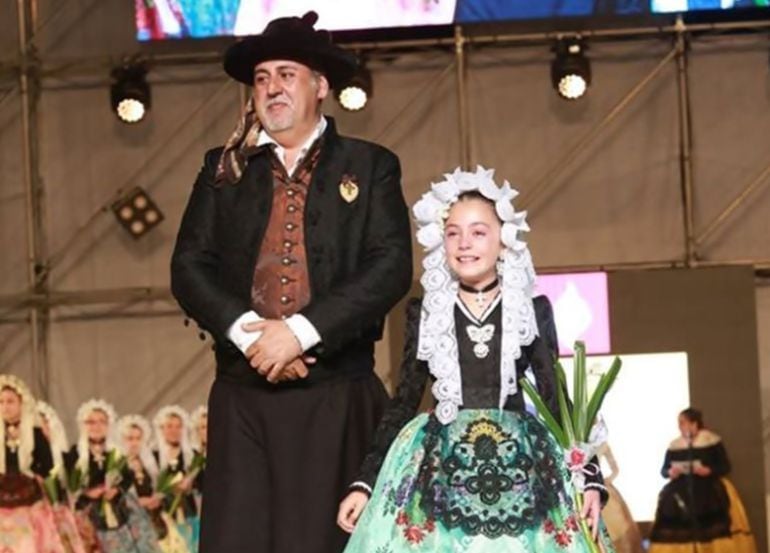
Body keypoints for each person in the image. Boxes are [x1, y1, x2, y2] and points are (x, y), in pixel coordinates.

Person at [170, 10, 412, 552]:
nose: (271, 88)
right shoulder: (223, 169)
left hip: (337, 398)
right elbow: (188, 267)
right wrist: (253, 333)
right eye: (261, 78)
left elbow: (391, 265)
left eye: (286, 74)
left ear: (320, 86)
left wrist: (301, 332)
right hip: (244, 401)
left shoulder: (371, 167)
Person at [337, 167, 613, 552]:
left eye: (478, 232)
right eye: (453, 233)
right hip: (440, 467)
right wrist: (365, 483)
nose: (464, 243)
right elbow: (402, 402)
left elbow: (555, 397)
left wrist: (590, 478)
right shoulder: (427, 311)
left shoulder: (530, 308)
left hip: (523, 465)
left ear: (504, 240)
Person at [648, 408, 757, 553]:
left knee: (712, 522)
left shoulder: (711, 440)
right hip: (680, 489)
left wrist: (709, 470)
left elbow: (725, 466)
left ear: (694, 424)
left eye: (683, 422)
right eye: (679, 423)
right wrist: (670, 472)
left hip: (708, 488)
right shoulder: (675, 444)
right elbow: (664, 470)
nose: (680, 426)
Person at [66, 399, 161, 553]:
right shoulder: (74, 453)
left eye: (101, 422)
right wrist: (88, 493)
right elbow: (70, 485)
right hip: (87, 517)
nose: (96, 426)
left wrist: (116, 490)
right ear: (83, 425)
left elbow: (127, 477)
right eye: (91, 422)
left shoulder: (116, 452)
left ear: (108, 425)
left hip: (119, 513)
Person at [0, 374, 68, 552]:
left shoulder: (35, 432)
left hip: (29, 500)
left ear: (21, 403)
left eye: (10, 401)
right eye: (1, 402)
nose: (5, 407)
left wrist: (55, 496)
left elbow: (50, 468)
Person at [118, 414, 190, 553]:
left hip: (156, 520)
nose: (134, 442)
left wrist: (158, 498)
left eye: (138, 438)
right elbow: (116, 497)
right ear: (122, 440)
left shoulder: (149, 463)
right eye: (130, 438)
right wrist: (138, 502)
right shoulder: (119, 466)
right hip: (131, 525)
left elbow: (158, 488)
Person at [37, 399, 88, 553]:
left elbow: (76, 486)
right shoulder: (27, 458)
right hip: (37, 515)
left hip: (62, 514)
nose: (42, 429)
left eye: (44, 423)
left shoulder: (67, 456)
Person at [153, 406, 199, 552]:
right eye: (169, 426)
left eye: (178, 426)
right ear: (161, 429)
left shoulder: (192, 456)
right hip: (163, 517)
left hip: (189, 514)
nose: (174, 430)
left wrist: (190, 485)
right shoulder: (153, 457)